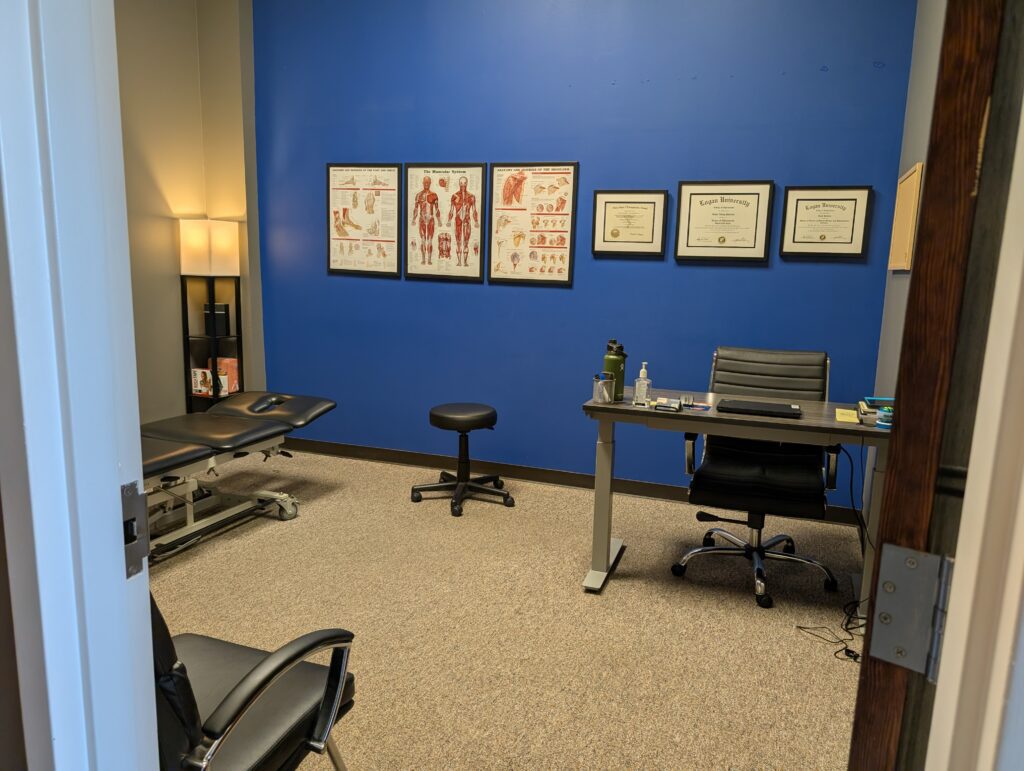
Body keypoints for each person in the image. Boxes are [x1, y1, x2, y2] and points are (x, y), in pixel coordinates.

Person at [447, 176, 479, 267]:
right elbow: (451, 210)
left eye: (464, 183)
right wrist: (449, 220)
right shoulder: (454, 196)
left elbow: (474, 210)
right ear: (459, 184)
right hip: (457, 220)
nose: (463, 185)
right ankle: (459, 262)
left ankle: (465, 262)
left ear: (467, 184)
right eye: (461, 183)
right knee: (458, 242)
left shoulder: (471, 197)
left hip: (467, 221)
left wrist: (476, 221)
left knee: (466, 242)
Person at [411, 176, 442, 264]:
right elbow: (416, 209)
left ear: (430, 183)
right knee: (423, 240)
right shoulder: (418, 195)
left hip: (431, 220)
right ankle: (423, 259)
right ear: (423, 182)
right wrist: (413, 219)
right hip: (422, 220)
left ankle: (429, 260)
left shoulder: (434, 195)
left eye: (428, 182)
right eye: (425, 182)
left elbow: (436, 209)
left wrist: (439, 220)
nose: (426, 184)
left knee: (430, 240)